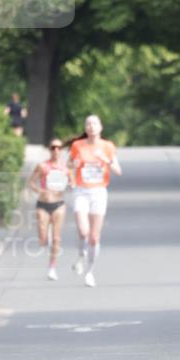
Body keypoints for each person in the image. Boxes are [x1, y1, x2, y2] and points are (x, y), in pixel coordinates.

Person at [67, 115, 122, 287]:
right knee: (83, 231)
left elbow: (118, 170)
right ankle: (81, 254)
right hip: (81, 191)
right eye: (88, 124)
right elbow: (67, 165)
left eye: (94, 123)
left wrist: (106, 160)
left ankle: (90, 272)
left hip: (99, 192)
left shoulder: (107, 146)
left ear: (100, 127)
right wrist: (73, 166)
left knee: (94, 237)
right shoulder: (77, 145)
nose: (91, 126)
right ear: (85, 128)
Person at [28, 138, 68, 281]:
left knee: (57, 239)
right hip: (43, 205)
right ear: (49, 149)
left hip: (58, 205)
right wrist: (39, 190)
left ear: (62, 150)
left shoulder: (65, 167)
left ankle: (52, 267)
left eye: (59, 147)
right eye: (53, 147)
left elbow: (74, 182)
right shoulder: (42, 166)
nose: (56, 150)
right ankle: (46, 238)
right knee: (43, 240)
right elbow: (31, 182)